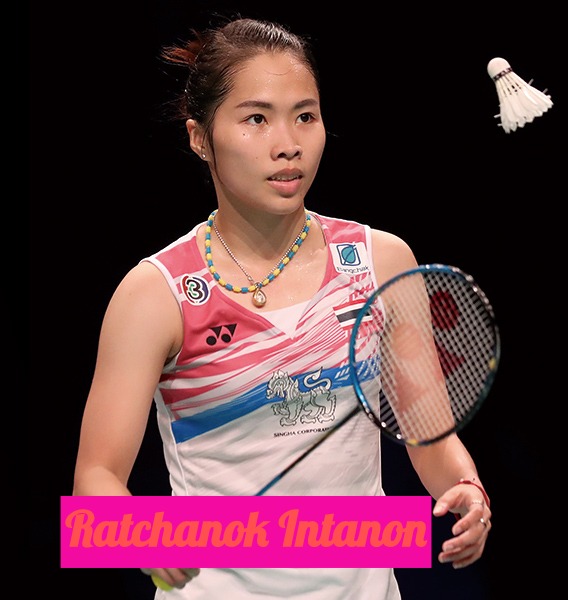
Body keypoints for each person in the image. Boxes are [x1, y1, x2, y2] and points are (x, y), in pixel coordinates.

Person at [72, 16, 492, 599]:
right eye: (256, 119)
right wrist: (145, 540)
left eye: (305, 116)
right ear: (199, 137)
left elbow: (427, 434)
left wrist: (467, 486)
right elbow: (94, 484)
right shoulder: (156, 294)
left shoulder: (381, 261)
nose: (287, 143)